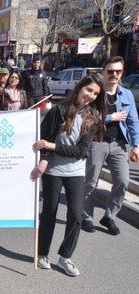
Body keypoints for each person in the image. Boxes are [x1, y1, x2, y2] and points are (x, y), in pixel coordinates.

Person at [30, 74, 105, 276]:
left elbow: (81, 151)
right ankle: (42, 253)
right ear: (80, 87)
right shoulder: (59, 109)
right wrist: (44, 157)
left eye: (95, 93)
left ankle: (65, 257)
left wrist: (51, 146)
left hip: (76, 173)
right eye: (89, 90)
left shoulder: (93, 117)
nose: (91, 96)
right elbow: (43, 136)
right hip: (53, 171)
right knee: (49, 213)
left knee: (75, 215)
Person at [82, 56, 139, 235]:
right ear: (103, 71)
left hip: (119, 145)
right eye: (110, 71)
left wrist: (136, 145)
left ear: (122, 73)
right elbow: (85, 116)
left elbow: (133, 121)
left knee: (122, 181)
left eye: (118, 71)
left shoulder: (126, 94)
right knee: (90, 182)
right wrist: (109, 118)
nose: (114, 74)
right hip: (96, 142)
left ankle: (109, 216)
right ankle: (86, 217)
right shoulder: (95, 93)